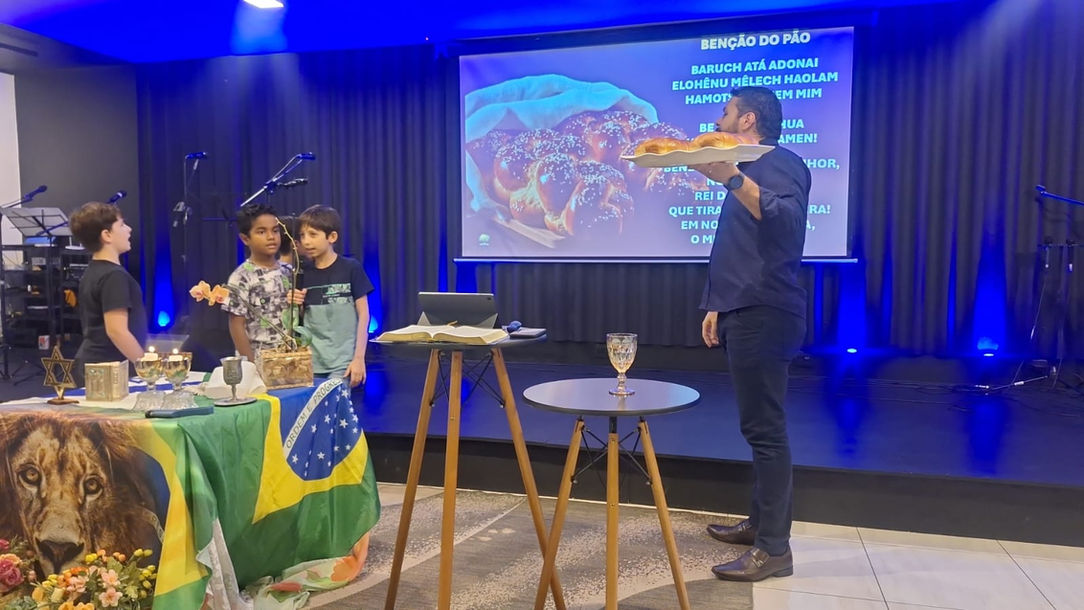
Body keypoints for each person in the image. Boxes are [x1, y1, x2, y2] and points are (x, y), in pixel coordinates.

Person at [690, 86, 811, 582]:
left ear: (748, 121)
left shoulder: (779, 163)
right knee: (757, 428)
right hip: (745, 307)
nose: (717, 120)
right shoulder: (751, 169)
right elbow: (743, 247)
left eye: (725, 113)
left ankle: (774, 550)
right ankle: (760, 525)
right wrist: (719, 303)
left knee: (766, 431)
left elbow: (787, 223)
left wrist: (733, 177)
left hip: (766, 312)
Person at [288, 205, 372, 387]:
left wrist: (359, 358)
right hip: (311, 363)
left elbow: (364, 315)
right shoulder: (301, 273)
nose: (306, 241)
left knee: (334, 402)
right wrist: (294, 304)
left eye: (312, 234)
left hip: (343, 362)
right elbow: (300, 321)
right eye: (302, 235)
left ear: (332, 237)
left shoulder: (350, 268)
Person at [70, 201, 148, 385]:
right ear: (107, 235)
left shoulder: (93, 271)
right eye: (122, 225)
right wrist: (147, 368)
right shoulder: (114, 276)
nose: (129, 229)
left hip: (95, 366)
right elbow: (117, 331)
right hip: (108, 370)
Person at [223, 203, 292, 362]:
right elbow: (236, 325)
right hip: (259, 361)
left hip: (289, 360)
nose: (271, 237)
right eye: (261, 232)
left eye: (275, 230)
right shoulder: (241, 277)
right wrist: (251, 364)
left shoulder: (289, 271)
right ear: (245, 238)